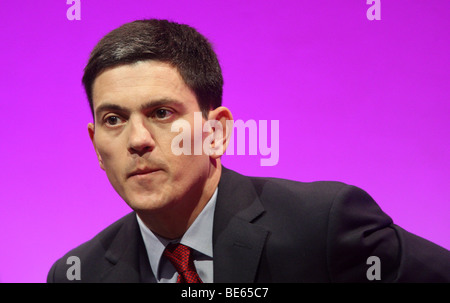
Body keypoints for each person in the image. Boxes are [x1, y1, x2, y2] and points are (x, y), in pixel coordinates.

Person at [47, 19, 450, 283]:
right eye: (114, 119)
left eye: (162, 113)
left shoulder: (325, 226)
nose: (137, 140)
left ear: (217, 132)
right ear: (96, 147)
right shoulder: (79, 273)